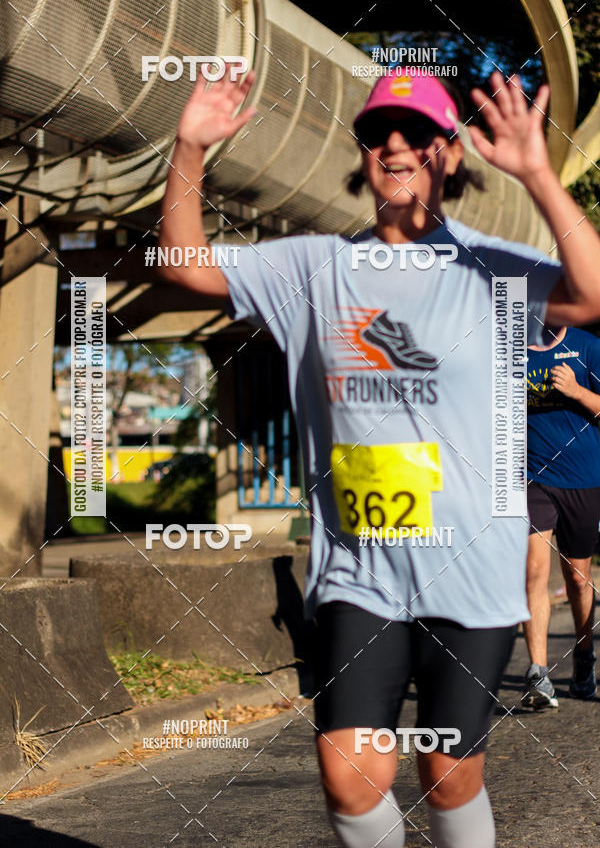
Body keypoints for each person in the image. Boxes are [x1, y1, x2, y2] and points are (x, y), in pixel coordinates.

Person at [158, 65, 600, 848]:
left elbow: (595, 298)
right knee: (351, 775)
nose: (395, 146)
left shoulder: (490, 268)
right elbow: (188, 269)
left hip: (469, 565)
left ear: (451, 155)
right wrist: (189, 148)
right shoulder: (311, 267)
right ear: (362, 155)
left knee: (447, 774)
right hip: (359, 569)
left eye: (419, 134)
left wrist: (537, 172)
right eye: (377, 134)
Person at [522, 325, 600, 709]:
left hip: (584, 479)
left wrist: (576, 390)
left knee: (577, 578)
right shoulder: (507, 351)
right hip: (532, 477)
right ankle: (538, 672)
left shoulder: (587, 347)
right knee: (534, 571)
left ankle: (584, 658)